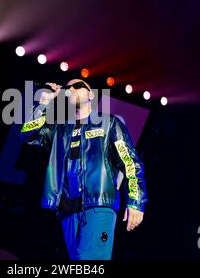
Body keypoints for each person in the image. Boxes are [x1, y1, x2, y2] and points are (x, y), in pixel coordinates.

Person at [21, 79, 147, 260]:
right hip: (68, 209)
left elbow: (130, 162)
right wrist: (44, 103)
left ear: (91, 94)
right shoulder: (59, 129)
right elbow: (27, 133)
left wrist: (136, 201)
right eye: (68, 87)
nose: (72, 89)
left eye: (78, 86)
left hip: (98, 204)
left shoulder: (108, 123)